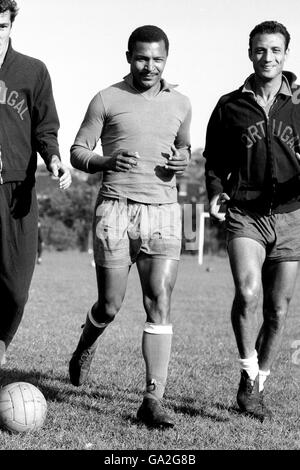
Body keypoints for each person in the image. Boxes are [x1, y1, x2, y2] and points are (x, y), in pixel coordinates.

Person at [70, 25, 191, 428]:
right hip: (115, 212)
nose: (150, 66)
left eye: (158, 59)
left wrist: (182, 160)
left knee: (159, 298)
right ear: (128, 56)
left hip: (164, 210)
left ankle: (152, 399)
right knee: (110, 305)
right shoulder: (106, 98)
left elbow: (185, 147)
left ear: (166, 59)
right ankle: (85, 344)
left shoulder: (182, 103)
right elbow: (78, 151)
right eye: (142, 58)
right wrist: (104, 162)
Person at [204, 20, 300, 421]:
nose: (268, 57)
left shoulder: (298, 105)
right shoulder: (230, 106)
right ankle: (247, 372)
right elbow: (213, 162)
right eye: (261, 50)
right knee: (248, 293)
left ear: (285, 54)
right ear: (250, 53)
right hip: (246, 215)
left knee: (278, 309)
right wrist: (214, 192)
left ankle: (259, 383)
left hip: (292, 217)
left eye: (275, 50)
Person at [0, 0, 72, 366]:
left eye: (0, 25)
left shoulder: (32, 71)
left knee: (15, 291)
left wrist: (55, 160)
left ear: (11, 25)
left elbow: (45, 129)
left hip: (17, 192)